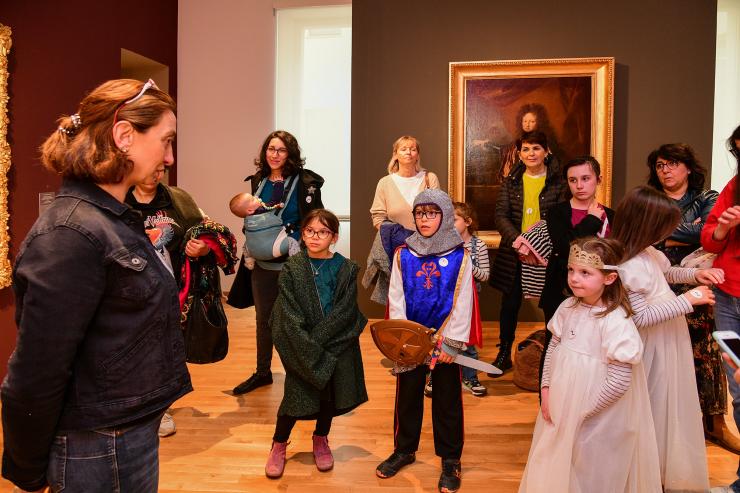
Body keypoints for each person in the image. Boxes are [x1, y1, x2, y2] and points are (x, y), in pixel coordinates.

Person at [1, 79, 192, 493]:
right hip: (99, 446)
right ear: (125, 136)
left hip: (123, 435)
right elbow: (36, 368)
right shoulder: (72, 234)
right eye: (166, 140)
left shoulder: (113, 218)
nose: (170, 156)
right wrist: (28, 470)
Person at [519, 238, 661, 492]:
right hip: (563, 401)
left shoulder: (615, 321)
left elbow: (618, 380)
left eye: (585, 273)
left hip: (597, 410)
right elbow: (553, 348)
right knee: (558, 457)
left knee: (592, 467)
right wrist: (546, 388)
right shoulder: (567, 307)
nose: (574, 278)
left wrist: (583, 411)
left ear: (609, 278)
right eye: (571, 270)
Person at [612, 185, 724, 492]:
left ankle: (660, 469)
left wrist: (693, 276)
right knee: (653, 405)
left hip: (668, 341)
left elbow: (666, 273)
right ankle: (642, 472)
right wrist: (690, 300)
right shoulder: (627, 264)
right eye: (662, 227)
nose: (667, 233)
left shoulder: (647, 252)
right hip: (651, 348)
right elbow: (642, 317)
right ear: (646, 224)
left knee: (668, 405)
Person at [375, 189, 474, 493]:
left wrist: (451, 343)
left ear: (444, 215)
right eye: (420, 213)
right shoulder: (404, 253)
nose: (425, 219)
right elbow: (397, 297)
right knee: (407, 394)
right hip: (411, 340)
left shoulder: (460, 256)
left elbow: (463, 301)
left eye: (432, 213)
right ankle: (404, 449)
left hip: (444, 339)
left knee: (446, 399)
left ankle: (450, 458)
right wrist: (407, 340)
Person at [265, 209, 368, 478]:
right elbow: (287, 312)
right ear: (303, 233)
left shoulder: (345, 268)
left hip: (334, 344)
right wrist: (308, 345)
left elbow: (346, 311)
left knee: (329, 396)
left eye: (322, 232)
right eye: (309, 231)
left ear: (333, 237)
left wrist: (320, 343)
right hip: (302, 345)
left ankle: (320, 438)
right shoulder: (292, 268)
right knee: (294, 396)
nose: (315, 237)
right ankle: (278, 443)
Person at [647, 143, 733, 450]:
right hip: (653, 280)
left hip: (696, 278)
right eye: (660, 165)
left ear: (688, 168)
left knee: (707, 342)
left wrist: (669, 233)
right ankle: (669, 421)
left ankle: (714, 419)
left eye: (672, 164)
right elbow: (647, 233)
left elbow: (706, 235)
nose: (666, 170)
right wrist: (687, 230)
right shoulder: (650, 199)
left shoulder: (707, 198)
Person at [231, 130, 324, 396]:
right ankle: (263, 372)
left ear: (290, 154)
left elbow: (315, 218)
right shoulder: (259, 180)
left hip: (292, 262)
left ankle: (302, 376)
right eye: (271, 149)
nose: (275, 154)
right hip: (262, 266)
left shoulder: (305, 182)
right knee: (264, 321)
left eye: (281, 150)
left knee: (296, 321)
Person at [126, 167, 209, 438]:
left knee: (163, 352)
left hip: (170, 292)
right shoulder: (119, 199)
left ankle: (160, 410)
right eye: (151, 168)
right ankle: (135, 408)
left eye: (161, 170)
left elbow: (205, 232)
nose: (156, 174)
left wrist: (202, 248)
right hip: (128, 294)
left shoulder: (178, 199)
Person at [488, 130, 565, 375]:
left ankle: (552, 358)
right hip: (514, 253)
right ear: (519, 154)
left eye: (536, 148)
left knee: (551, 305)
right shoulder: (510, 181)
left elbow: (561, 216)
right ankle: (504, 354)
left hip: (546, 254)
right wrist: (519, 240)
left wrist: (536, 243)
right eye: (526, 149)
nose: (531, 153)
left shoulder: (559, 182)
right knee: (509, 305)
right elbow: (500, 215)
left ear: (546, 151)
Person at [703, 124, 740, 493]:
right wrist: (721, 230)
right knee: (739, 390)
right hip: (729, 298)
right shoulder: (734, 187)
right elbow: (709, 241)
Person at [370, 135, 441, 231]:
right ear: (395, 155)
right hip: (395, 244)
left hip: (427, 243)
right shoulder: (384, 183)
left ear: (418, 156)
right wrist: (396, 236)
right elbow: (378, 218)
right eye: (403, 149)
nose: (408, 152)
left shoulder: (430, 179)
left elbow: (439, 211)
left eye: (413, 149)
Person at [228, 192, 300, 270]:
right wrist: (278, 184)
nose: (256, 197)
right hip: (273, 250)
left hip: (254, 253)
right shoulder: (262, 210)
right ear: (250, 210)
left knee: (246, 245)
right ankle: (296, 263)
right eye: (253, 199)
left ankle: (249, 261)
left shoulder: (247, 221)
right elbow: (275, 200)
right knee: (292, 241)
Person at [498, 103, 560, 182]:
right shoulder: (515, 146)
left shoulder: (546, 144)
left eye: (532, 121)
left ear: (539, 122)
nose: (527, 125)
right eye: (525, 121)